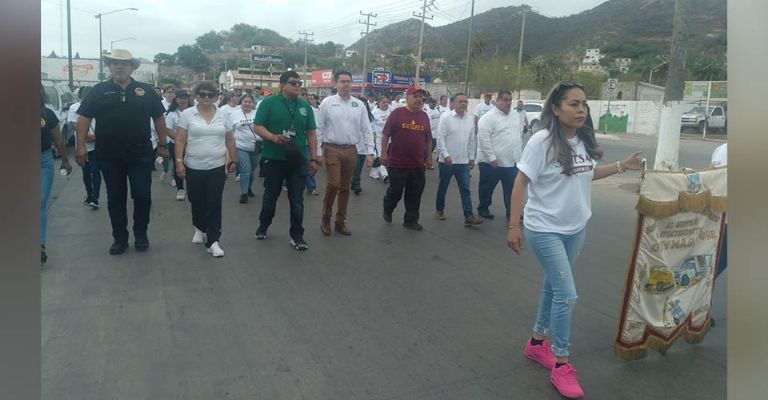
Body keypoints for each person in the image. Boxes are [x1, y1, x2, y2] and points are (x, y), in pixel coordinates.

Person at [506, 81, 643, 399]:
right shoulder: (541, 141)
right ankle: (562, 364)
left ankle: (537, 343)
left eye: (584, 104)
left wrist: (624, 166)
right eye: (573, 104)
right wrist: (514, 226)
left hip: (576, 228)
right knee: (567, 295)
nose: (581, 109)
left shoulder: (581, 140)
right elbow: (520, 182)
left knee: (554, 287)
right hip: (544, 229)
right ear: (556, 108)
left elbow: (588, 173)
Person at [75, 49, 168, 255]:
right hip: (109, 155)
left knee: (142, 195)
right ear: (109, 66)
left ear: (132, 67)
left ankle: (141, 234)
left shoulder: (145, 90)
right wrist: (80, 146)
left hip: (141, 154)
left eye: (124, 63)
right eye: (115, 63)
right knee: (115, 197)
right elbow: (84, 118)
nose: (119, 66)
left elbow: (159, 118)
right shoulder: (98, 91)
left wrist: (163, 145)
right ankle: (120, 238)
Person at [253, 71, 319, 250]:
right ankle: (263, 226)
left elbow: (311, 133)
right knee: (270, 197)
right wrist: (273, 138)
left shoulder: (305, 106)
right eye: (293, 83)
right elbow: (257, 126)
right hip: (274, 158)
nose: (298, 86)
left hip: (298, 160)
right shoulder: (268, 103)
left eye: (299, 83)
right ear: (282, 85)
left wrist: (314, 158)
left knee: (297, 200)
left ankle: (297, 236)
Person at [174, 81, 237, 257]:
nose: (207, 98)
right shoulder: (188, 114)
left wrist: (234, 160)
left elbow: (230, 140)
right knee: (196, 200)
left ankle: (213, 240)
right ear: (196, 96)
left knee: (214, 202)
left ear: (217, 97)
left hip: (217, 166)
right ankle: (199, 227)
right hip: (193, 166)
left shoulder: (223, 115)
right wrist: (179, 162)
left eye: (211, 95)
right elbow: (180, 140)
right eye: (202, 94)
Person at [315, 70, 374, 236]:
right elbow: (319, 128)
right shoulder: (327, 103)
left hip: (351, 150)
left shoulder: (359, 104)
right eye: (342, 81)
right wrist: (318, 152)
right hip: (332, 148)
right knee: (333, 184)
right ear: (335, 84)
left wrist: (370, 152)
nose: (346, 84)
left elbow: (366, 128)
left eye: (348, 81)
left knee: (345, 187)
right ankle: (326, 217)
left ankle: (340, 221)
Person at [381, 86, 433, 230]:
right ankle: (388, 207)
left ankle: (410, 220)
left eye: (421, 97)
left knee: (415, 193)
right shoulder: (397, 113)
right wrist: (383, 152)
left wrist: (429, 157)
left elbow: (428, 139)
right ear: (408, 98)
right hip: (397, 163)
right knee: (396, 191)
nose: (419, 99)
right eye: (416, 96)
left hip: (417, 164)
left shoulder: (424, 116)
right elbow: (386, 134)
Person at [434, 93, 482, 227]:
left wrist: (472, 158)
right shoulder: (446, 118)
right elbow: (440, 138)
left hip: (463, 162)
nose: (463, 104)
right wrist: (445, 155)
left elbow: (472, 140)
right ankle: (439, 210)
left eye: (465, 102)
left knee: (465, 189)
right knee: (443, 187)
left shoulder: (469, 120)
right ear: (453, 103)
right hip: (447, 161)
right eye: (460, 101)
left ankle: (468, 216)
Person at [476, 90, 524, 220]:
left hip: (511, 162)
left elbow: (517, 136)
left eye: (510, 100)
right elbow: (484, 139)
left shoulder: (515, 115)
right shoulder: (488, 118)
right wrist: (491, 157)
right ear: (497, 101)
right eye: (505, 100)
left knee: (512, 189)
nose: (508, 102)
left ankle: (512, 213)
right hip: (492, 163)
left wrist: (519, 157)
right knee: (487, 187)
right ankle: (483, 208)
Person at [41, 85, 73, 263]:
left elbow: (58, 139)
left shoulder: (47, 114)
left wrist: (65, 160)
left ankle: (40, 244)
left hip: (43, 160)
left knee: (40, 201)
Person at [68, 85, 101, 209]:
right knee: (86, 172)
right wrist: (86, 135)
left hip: (97, 145)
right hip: (82, 146)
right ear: (81, 96)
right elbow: (75, 124)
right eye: (84, 95)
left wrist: (96, 137)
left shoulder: (99, 107)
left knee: (96, 171)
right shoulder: (74, 108)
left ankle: (95, 197)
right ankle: (89, 194)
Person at [232, 93, 262, 204]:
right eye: (245, 101)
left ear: (253, 103)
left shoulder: (258, 113)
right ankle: (244, 193)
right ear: (241, 103)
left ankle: (248, 188)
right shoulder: (235, 114)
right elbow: (230, 131)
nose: (247, 104)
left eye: (250, 102)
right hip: (241, 147)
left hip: (257, 147)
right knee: (245, 170)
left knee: (252, 169)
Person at [710, 142, 727, 326]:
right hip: (725, 223)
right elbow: (717, 185)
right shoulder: (725, 151)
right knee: (712, 269)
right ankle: (697, 311)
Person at [165, 89, 191, 200]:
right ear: (176, 100)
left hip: (192, 145)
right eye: (181, 98)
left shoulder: (193, 112)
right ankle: (180, 189)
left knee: (191, 166)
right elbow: (167, 130)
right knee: (178, 166)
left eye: (185, 98)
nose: (183, 100)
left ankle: (191, 189)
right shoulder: (171, 114)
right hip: (175, 145)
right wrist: (180, 139)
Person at [350, 96, 376, 196]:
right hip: (353, 145)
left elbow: (372, 132)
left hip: (364, 146)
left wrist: (372, 148)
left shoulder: (370, 117)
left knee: (359, 166)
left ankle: (354, 181)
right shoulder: (352, 116)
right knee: (355, 165)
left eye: (365, 104)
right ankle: (357, 183)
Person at [370, 96, 391, 182]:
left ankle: (373, 172)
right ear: (378, 103)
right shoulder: (374, 113)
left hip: (390, 139)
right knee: (380, 156)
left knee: (385, 156)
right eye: (383, 102)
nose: (386, 104)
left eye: (387, 102)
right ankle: (385, 174)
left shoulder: (390, 112)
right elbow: (370, 127)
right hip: (378, 138)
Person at [425, 97, 442, 167]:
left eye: (435, 102)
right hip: (429, 133)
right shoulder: (426, 110)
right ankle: (425, 161)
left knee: (432, 148)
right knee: (428, 148)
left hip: (436, 133)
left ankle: (426, 161)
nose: (434, 104)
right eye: (432, 102)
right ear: (429, 103)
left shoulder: (437, 110)